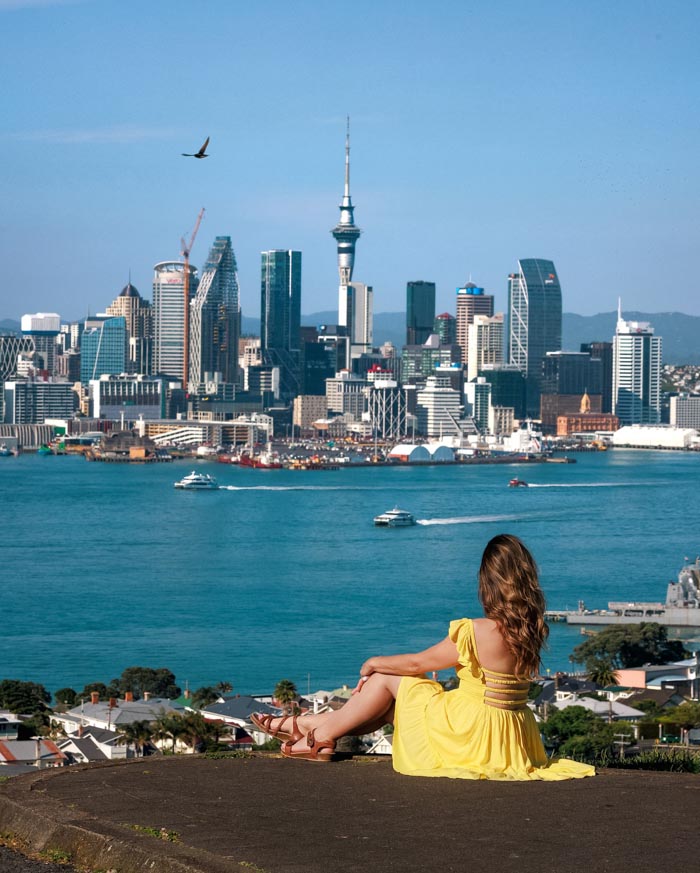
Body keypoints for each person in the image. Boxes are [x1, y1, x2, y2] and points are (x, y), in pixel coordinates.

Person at [252, 534, 595, 779]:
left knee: (387, 680)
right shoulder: (533, 629)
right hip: (510, 734)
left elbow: (419, 664)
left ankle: (318, 736)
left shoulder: (475, 630)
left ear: (488, 583)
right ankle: (310, 727)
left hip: (469, 730)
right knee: (391, 703)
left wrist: (374, 662)